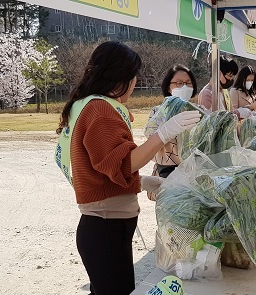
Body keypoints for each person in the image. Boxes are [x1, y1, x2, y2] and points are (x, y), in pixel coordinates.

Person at [55, 41, 201, 295]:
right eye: (133, 76)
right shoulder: (100, 109)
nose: (134, 83)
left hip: (106, 225)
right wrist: (164, 133)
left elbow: (103, 168)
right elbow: (123, 162)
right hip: (104, 225)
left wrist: (141, 181)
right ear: (120, 76)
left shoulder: (89, 105)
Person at [143, 64, 198, 182]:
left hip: (194, 174)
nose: (184, 86)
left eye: (188, 83)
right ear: (169, 87)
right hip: (167, 175)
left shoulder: (198, 111)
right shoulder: (158, 111)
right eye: (179, 83)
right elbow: (150, 137)